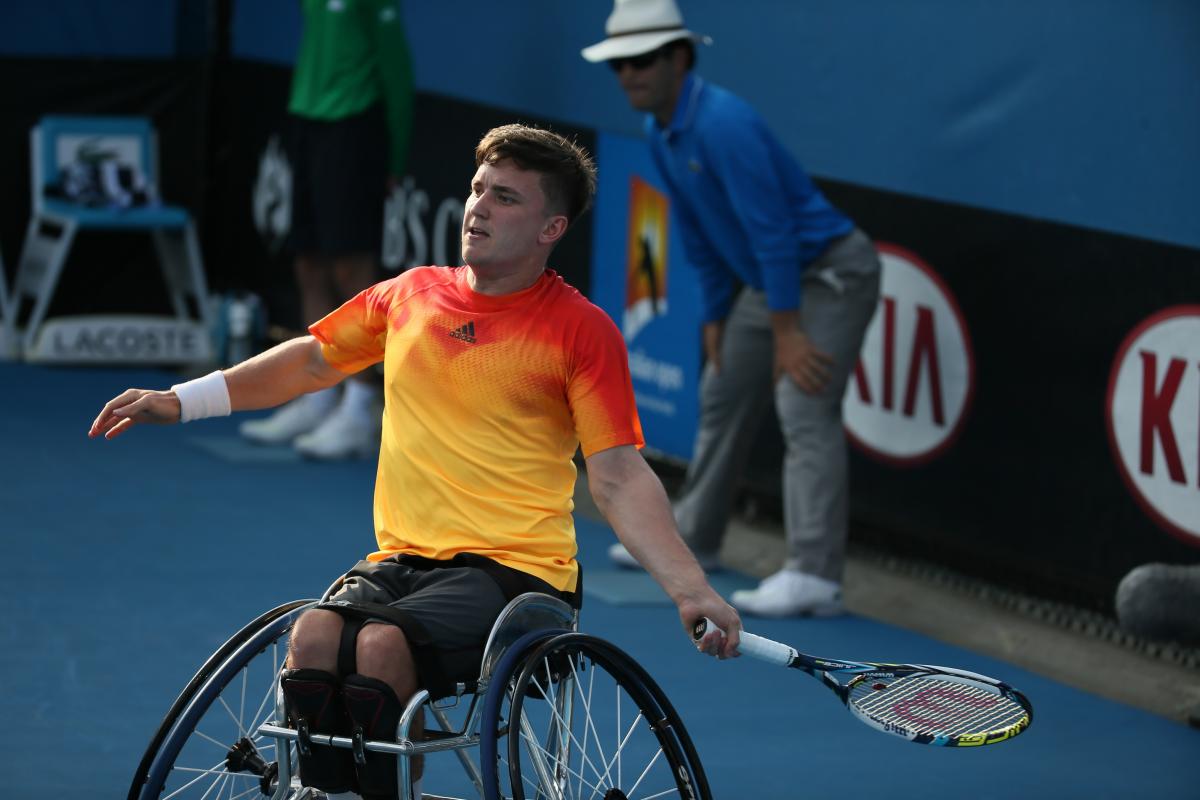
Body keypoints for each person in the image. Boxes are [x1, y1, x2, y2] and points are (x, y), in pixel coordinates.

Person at [89, 124, 741, 800]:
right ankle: (338, 789)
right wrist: (181, 399)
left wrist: (690, 589)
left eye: (506, 198)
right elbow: (313, 361)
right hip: (401, 562)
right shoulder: (411, 295)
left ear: (552, 228)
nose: (480, 207)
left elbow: (617, 473)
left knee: (378, 649)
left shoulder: (581, 330)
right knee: (313, 637)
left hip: (515, 577)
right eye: (478, 188)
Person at [583, 0, 882, 618]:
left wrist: (788, 333)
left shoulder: (725, 124)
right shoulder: (659, 130)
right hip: (766, 286)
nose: (629, 75)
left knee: (803, 400)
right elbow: (698, 229)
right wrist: (716, 321)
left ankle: (814, 575)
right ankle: (695, 534)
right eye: (619, 65)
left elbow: (773, 234)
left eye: (641, 61)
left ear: (680, 59)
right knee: (721, 389)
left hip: (828, 273)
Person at [240, 0, 415, 460]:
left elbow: (396, 67)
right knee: (309, 265)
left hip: (354, 127)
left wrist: (394, 155)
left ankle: (361, 405)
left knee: (351, 271)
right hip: (308, 122)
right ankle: (318, 392)